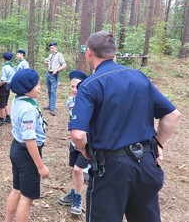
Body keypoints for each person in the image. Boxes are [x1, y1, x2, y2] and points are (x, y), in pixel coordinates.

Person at [69, 31, 181, 222]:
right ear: (114, 52)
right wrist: (157, 145)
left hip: (111, 168)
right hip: (146, 165)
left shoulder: (89, 85)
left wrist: (84, 150)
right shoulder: (140, 77)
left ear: (89, 52)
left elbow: (78, 135)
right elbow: (172, 114)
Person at [5, 68, 49, 222]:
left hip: (17, 148)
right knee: (27, 197)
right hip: (27, 154)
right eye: (36, 85)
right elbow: (30, 140)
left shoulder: (18, 100)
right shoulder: (28, 109)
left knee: (17, 188)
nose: (39, 88)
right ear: (26, 88)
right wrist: (40, 166)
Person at [58, 70, 89, 216]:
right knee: (73, 169)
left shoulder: (90, 102)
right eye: (72, 86)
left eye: (78, 87)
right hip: (73, 141)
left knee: (78, 170)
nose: (74, 90)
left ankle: (77, 200)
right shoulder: (69, 101)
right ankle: (74, 192)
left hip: (86, 142)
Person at [44, 42, 66, 116]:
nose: (51, 49)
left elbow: (64, 65)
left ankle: (52, 108)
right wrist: (47, 62)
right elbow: (45, 60)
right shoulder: (50, 55)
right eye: (50, 48)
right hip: (48, 73)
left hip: (55, 74)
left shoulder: (59, 55)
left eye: (52, 48)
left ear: (56, 47)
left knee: (53, 91)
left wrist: (57, 70)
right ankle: (50, 105)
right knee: (49, 90)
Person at [0, 52, 15, 126]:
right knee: (5, 101)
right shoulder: (12, 66)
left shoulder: (5, 67)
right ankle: (8, 117)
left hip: (4, 85)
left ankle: (1, 119)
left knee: (1, 103)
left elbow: (3, 80)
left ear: (4, 58)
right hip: (9, 86)